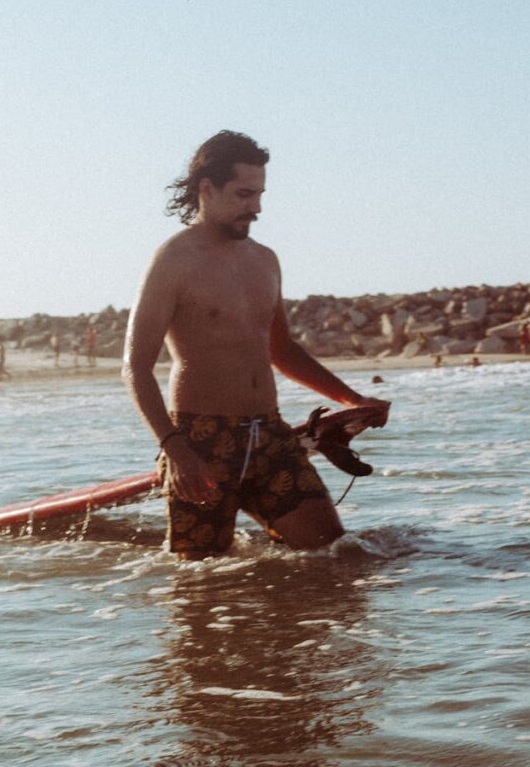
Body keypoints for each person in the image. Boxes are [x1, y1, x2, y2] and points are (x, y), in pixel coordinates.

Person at [122, 130, 390, 560]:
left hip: (270, 436)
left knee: (337, 561)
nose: (257, 207)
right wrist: (175, 449)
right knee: (200, 588)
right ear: (206, 189)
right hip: (201, 443)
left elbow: (281, 351)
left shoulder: (264, 261)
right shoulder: (173, 261)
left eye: (261, 194)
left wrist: (350, 398)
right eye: (245, 194)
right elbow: (135, 367)